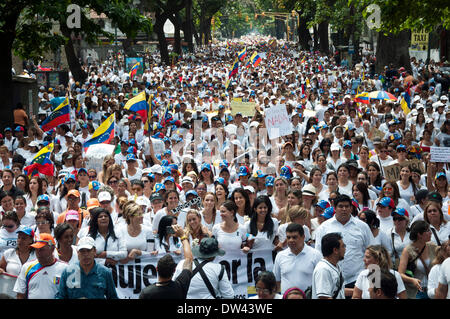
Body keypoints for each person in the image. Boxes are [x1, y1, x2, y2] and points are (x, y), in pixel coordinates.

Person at [314, 194, 372, 297]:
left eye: (347, 206)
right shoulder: (324, 228)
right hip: (332, 279)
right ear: (335, 208)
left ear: (351, 208)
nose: (344, 209)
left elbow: (373, 252)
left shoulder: (362, 227)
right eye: (340, 206)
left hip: (357, 279)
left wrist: (373, 282)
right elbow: (319, 254)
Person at [139, 224, 193, 299]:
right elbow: (189, 259)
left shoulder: (146, 293)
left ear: (156, 269)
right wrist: (183, 237)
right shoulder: (180, 286)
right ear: (174, 270)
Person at [13, 233, 67, 299]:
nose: (38, 252)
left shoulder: (65, 269)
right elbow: (20, 295)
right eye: (36, 249)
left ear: (52, 249)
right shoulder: (26, 267)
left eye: (42, 249)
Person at [273, 223, 322, 294]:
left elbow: (321, 281)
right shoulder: (280, 256)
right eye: (288, 237)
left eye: (294, 237)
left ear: (303, 237)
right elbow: (277, 281)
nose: (291, 240)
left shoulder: (316, 255)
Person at [398, 220, 438, 299]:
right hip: (416, 292)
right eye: (427, 231)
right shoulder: (408, 250)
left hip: (432, 290)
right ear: (419, 234)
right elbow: (400, 274)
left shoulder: (432, 246)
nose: (431, 233)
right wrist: (412, 280)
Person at [311, 232, 346, 299]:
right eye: (343, 246)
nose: (345, 249)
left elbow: (338, 291)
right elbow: (324, 297)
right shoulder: (323, 269)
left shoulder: (335, 266)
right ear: (335, 250)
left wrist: (358, 290)